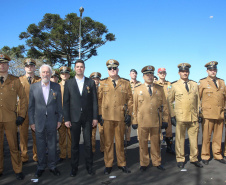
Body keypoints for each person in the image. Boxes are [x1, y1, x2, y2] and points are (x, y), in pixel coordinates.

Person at [63, 59, 98, 177]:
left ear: (84, 68)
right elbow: (66, 102)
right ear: (74, 68)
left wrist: (95, 117)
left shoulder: (90, 82)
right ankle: (74, 168)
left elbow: (94, 102)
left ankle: (89, 167)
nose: (79, 68)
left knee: (88, 144)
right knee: (75, 145)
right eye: (77, 67)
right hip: (74, 118)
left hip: (88, 118)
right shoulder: (69, 83)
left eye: (81, 67)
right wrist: (66, 119)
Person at [98, 59, 133, 175]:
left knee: (120, 142)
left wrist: (129, 114)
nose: (112, 70)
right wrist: (99, 115)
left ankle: (122, 164)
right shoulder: (102, 83)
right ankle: (108, 164)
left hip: (120, 117)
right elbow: (99, 101)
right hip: (107, 117)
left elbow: (130, 100)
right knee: (108, 143)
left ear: (118, 69)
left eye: (114, 68)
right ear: (107, 70)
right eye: (110, 68)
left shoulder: (125, 83)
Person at [28, 64, 63, 177]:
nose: (45, 74)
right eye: (43, 72)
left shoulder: (56, 86)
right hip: (38, 121)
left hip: (53, 121)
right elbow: (31, 107)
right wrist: (32, 122)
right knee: (40, 145)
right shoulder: (33, 87)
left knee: (52, 145)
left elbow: (59, 106)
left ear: (51, 73)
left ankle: (52, 166)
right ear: (40, 73)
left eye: (47, 72)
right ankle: (41, 166)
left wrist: (59, 120)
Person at [132, 65, 168, 172]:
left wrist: (165, 119)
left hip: (156, 120)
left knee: (156, 143)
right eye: (147, 74)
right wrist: (134, 121)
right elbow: (134, 106)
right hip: (142, 121)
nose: (149, 76)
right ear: (143, 76)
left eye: (151, 74)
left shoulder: (159, 89)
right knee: (142, 143)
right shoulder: (138, 89)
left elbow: (164, 105)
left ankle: (157, 162)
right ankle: (144, 163)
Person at [168, 63, 203, 168]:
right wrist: (173, 116)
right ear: (179, 73)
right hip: (181, 117)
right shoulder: (174, 85)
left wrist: (199, 113)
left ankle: (194, 158)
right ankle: (180, 158)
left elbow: (198, 101)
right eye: (183, 71)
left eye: (186, 71)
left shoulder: (194, 84)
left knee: (194, 139)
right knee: (180, 139)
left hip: (193, 117)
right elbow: (169, 101)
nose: (185, 73)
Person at [0, 54, 27, 180]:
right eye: (0, 63)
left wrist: (21, 115)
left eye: (4, 63)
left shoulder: (15, 80)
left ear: (8, 65)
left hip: (10, 118)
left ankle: (18, 170)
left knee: (13, 146)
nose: (2, 65)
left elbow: (23, 98)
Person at [199, 61, 226, 165]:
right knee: (206, 136)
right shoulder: (203, 82)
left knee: (218, 137)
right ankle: (205, 156)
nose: (212, 71)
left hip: (219, 114)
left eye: (214, 70)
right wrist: (199, 112)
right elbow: (198, 98)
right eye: (210, 70)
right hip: (208, 114)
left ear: (216, 70)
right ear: (207, 71)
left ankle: (217, 154)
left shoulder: (222, 82)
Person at [18, 58, 40, 163]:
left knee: (36, 135)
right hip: (23, 112)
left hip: (36, 113)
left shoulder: (39, 80)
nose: (29, 67)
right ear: (24, 68)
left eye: (31, 66)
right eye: (27, 66)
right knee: (23, 136)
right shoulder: (18, 80)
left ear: (35, 67)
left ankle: (36, 156)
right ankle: (24, 156)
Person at [156, 67, 175, 154]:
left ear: (166, 74)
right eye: (161, 73)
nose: (162, 74)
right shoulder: (154, 84)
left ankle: (169, 147)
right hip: (158, 111)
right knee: (156, 131)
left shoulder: (169, 84)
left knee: (169, 131)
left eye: (164, 73)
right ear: (158, 74)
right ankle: (156, 149)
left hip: (167, 111)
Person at [58, 66, 71, 162]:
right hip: (60, 115)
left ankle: (71, 154)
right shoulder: (56, 86)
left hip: (71, 115)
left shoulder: (73, 85)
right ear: (60, 75)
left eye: (66, 73)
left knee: (71, 136)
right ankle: (62, 155)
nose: (64, 75)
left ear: (69, 75)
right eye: (62, 73)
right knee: (62, 137)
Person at [89, 72, 104, 154]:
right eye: (94, 79)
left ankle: (103, 149)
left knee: (102, 132)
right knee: (92, 133)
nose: (95, 81)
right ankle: (92, 149)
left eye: (97, 79)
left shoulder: (102, 88)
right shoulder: (88, 89)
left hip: (101, 113)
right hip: (92, 114)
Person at [126, 69, 141, 146]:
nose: (134, 75)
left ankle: (140, 138)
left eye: (135, 73)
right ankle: (127, 139)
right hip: (130, 105)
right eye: (132, 73)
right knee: (128, 123)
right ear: (129, 74)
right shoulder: (127, 84)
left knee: (138, 122)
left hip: (138, 106)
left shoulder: (140, 84)